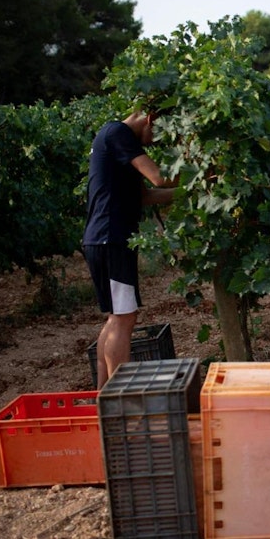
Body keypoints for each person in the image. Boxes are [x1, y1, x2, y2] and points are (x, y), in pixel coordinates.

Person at [83, 107, 176, 389]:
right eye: (156, 134)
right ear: (150, 118)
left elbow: (146, 196)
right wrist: (202, 173)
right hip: (111, 238)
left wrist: (193, 193)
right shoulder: (119, 133)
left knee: (117, 318)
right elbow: (158, 178)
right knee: (124, 318)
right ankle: (119, 396)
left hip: (105, 238)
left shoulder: (117, 141)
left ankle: (103, 395)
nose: (153, 142)